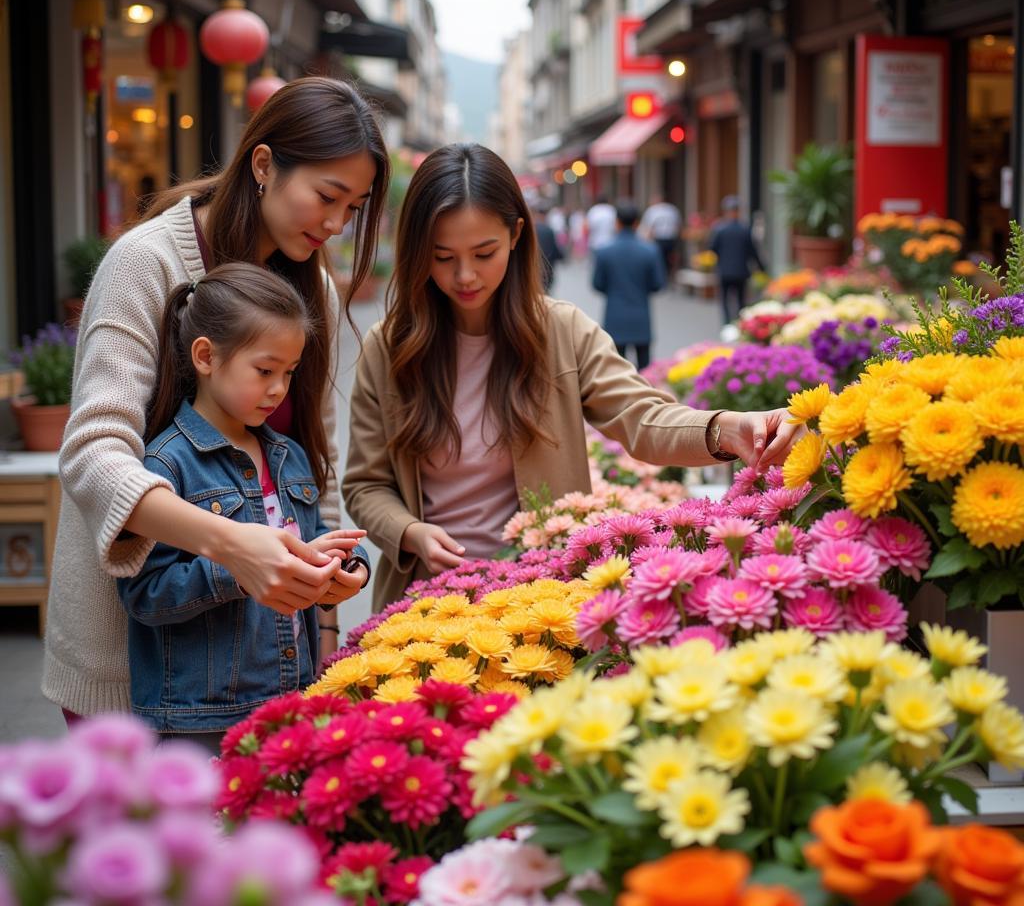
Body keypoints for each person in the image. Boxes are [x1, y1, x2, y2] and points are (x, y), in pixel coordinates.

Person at [43, 76, 387, 722]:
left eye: (356, 207)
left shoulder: (313, 287)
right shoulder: (143, 264)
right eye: (327, 196)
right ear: (264, 165)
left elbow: (317, 465)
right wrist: (232, 544)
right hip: (129, 663)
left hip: (267, 666)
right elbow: (94, 455)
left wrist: (330, 614)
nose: (338, 224)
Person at [343, 143, 805, 614]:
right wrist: (408, 531)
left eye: (484, 253)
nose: (465, 276)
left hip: (542, 595)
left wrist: (724, 428)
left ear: (516, 234)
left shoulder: (560, 330)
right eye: (442, 257)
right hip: (427, 604)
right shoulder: (388, 348)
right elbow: (365, 484)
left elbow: (642, 416)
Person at [118, 265, 370, 751]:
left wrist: (340, 572)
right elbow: (144, 595)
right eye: (265, 370)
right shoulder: (165, 465)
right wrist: (237, 568)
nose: (279, 389)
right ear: (207, 357)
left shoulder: (289, 456)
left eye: (289, 373)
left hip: (290, 698)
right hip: (199, 719)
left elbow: (313, 545)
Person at [591, 202, 664, 371]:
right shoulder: (650, 250)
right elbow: (658, 284)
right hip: (641, 315)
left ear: (617, 222)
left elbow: (597, 284)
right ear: (637, 223)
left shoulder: (604, 251)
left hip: (615, 315)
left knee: (617, 372)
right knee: (646, 371)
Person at [710, 194, 765, 324]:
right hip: (741, 271)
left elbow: (712, 248)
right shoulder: (744, 230)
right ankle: (739, 324)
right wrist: (762, 268)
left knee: (724, 299)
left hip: (724, 270)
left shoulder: (719, 229)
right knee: (741, 300)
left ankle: (727, 324)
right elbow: (753, 251)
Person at [641, 194, 682, 276]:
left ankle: (660, 275)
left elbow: (649, 228)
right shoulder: (672, 209)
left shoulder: (652, 210)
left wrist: (646, 241)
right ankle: (670, 274)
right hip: (671, 238)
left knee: (659, 258)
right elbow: (678, 225)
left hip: (658, 238)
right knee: (669, 258)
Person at [533, 202, 564, 292]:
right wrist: (562, 256)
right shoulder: (549, 230)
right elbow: (554, 249)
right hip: (547, 267)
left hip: (533, 266)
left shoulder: (531, 229)